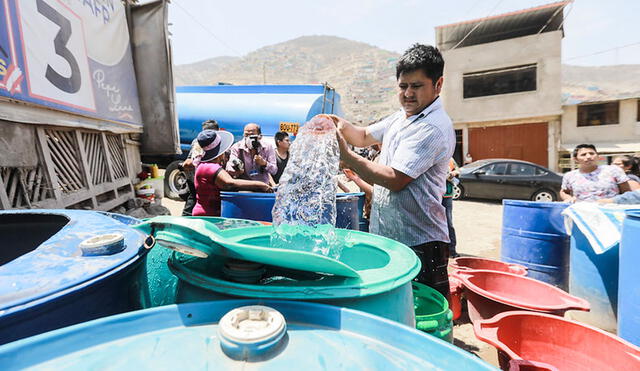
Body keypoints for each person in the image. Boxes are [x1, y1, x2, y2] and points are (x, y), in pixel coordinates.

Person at [329, 43, 455, 299]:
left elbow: (395, 179)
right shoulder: (403, 117)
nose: (408, 93)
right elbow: (363, 135)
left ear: (438, 85)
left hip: (421, 242)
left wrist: (348, 157)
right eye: (403, 86)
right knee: (398, 308)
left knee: (423, 315)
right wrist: (337, 124)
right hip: (393, 237)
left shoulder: (432, 127)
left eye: (416, 86)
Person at [192, 130, 272, 216]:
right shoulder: (210, 167)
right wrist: (260, 185)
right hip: (209, 215)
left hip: (205, 212)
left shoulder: (203, 165)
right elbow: (229, 183)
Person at [560, 144, 631, 203]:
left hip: (611, 212)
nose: (588, 157)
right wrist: (568, 198)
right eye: (583, 154)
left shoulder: (613, 170)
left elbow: (627, 192)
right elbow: (564, 192)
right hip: (582, 214)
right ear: (576, 159)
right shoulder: (570, 176)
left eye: (592, 153)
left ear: (597, 156)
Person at [181, 119, 219, 216]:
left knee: (195, 201)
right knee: (193, 200)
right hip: (199, 177)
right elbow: (190, 161)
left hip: (199, 176)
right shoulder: (198, 142)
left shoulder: (200, 140)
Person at [442, 158, 459, 258]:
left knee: (448, 223)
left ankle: (452, 251)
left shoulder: (451, 159)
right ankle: (440, 250)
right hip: (435, 195)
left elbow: (458, 170)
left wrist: (452, 174)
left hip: (447, 195)